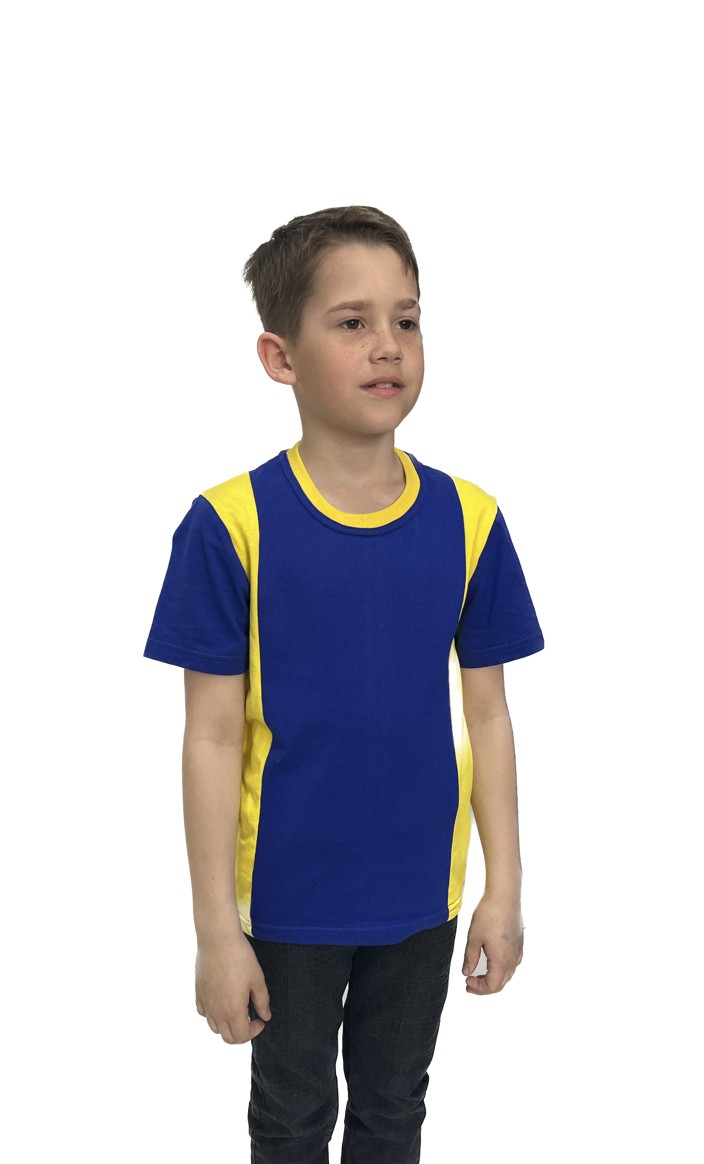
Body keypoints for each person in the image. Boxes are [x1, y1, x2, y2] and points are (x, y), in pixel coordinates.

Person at [143, 205, 545, 1164]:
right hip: (286, 904)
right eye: (352, 322)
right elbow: (210, 737)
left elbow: (488, 716)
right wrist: (215, 933)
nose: (388, 345)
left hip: (422, 894)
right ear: (280, 358)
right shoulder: (228, 526)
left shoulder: (471, 521)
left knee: (394, 1115)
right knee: (290, 1123)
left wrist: (504, 888)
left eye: (406, 319)